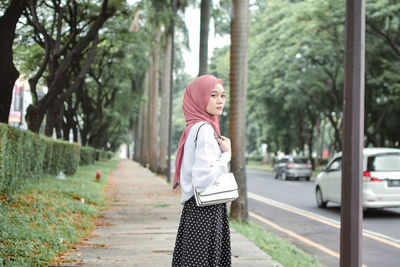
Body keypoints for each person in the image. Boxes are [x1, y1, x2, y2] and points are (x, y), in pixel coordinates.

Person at [172, 75, 232, 267]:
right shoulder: (205, 129)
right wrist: (227, 155)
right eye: (213, 95)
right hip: (206, 209)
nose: (220, 100)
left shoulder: (194, 127)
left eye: (222, 95)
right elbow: (203, 178)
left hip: (195, 209)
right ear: (199, 97)